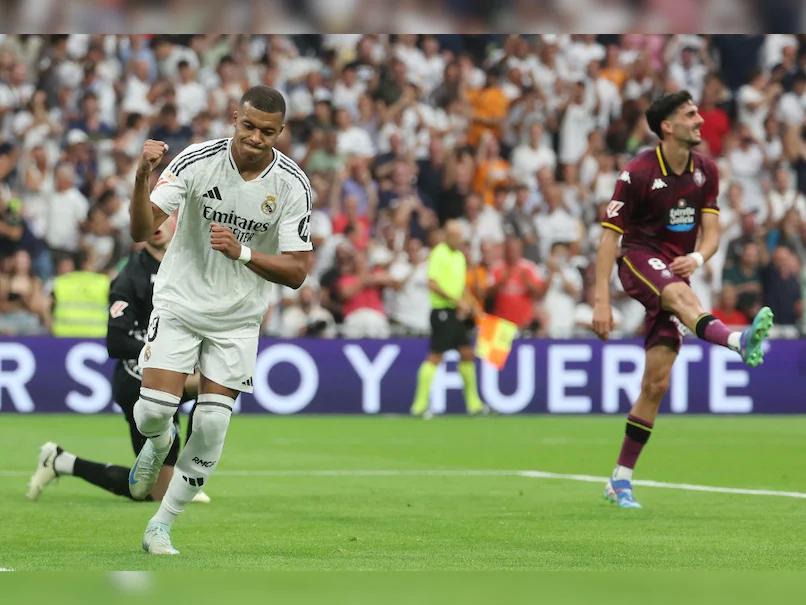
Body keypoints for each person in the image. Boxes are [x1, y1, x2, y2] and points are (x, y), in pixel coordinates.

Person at [127, 85, 312, 555]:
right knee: (152, 411)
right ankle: (159, 438)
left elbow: (297, 272)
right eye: (248, 126)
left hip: (237, 320)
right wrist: (141, 176)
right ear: (235, 117)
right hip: (180, 302)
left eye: (267, 131)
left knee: (211, 426)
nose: (255, 137)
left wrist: (244, 251)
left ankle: (161, 525)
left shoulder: (292, 184)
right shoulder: (196, 160)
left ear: (280, 131)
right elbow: (140, 230)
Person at [592, 90, 774, 509]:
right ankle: (737, 341)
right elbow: (608, 240)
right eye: (691, 115)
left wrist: (697, 256)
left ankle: (620, 479)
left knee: (655, 384)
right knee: (677, 294)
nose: (700, 120)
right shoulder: (636, 173)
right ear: (668, 127)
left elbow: (711, 232)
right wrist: (600, 301)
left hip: (676, 267)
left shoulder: (706, 171)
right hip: (638, 260)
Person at [25, 215, 209, 504]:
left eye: (164, 216)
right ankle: (63, 462)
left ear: (177, 220)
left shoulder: (186, 265)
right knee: (153, 493)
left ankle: (62, 461)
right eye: (151, 217)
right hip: (136, 381)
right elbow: (117, 340)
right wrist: (162, 356)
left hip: (172, 377)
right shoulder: (130, 276)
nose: (157, 224)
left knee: (216, 382)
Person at [410, 220, 487, 418]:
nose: (457, 238)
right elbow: (432, 283)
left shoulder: (460, 256)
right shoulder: (438, 253)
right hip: (442, 311)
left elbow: (461, 287)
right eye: (453, 234)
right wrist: (456, 300)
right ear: (446, 235)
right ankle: (419, 406)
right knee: (435, 356)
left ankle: (474, 404)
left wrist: (473, 306)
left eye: (459, 235)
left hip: (456, 312)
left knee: (467, 353)